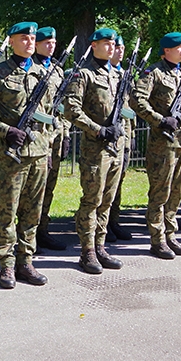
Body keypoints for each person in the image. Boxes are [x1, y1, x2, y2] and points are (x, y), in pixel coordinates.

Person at [0, 21, 52, 288]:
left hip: (39, 152)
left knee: (32, 211)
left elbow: (53, 112)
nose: (29, 42)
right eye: (23, 38)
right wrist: (5, 130)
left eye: (32, 38)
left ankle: (25, 261)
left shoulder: (44, 72)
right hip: (12, 154)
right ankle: (6, 265)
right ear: (12, 41)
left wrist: (49, 141)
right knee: (7, 210)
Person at [64, 27, 125, 273]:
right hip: (95, 148)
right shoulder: (83, 74)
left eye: (113, 43)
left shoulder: (116, 75)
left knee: (107, 201)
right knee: (92, 200)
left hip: (115, 147)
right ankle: (87, 251)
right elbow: (72, 109)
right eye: (106, 43)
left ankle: (100, 246)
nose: (111, 47)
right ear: (94, 46)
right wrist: (98, 129)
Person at [130, 32, 181, 260]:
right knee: (160, 192)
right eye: (180, 48)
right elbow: (137, 99)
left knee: (176, 192)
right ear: (167, 50)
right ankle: (157, 239)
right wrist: (159, 120)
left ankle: (170, 234)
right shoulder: (154, 72)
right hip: (163, 144)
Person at [33, 26, 70, 251]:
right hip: (38, 136)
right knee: (33, 188)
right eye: (46, 42)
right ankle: (27, 232)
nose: (51, 45)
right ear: (36, 44)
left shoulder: (57, 70)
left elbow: (63, 105)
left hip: (55, 135)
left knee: (49, 185)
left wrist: (64, 134)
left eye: (53, 42)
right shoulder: (32, 68)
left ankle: (42, 229)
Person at [107, 35, 133, 242]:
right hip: (107, 136)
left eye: (122, 47)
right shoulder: (105, 74)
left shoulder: (123, 74)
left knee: (119, 182)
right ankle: (103, 225)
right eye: (117, 47)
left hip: (123, 134)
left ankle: (113, 221)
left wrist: (130, 136)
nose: (120, 51)